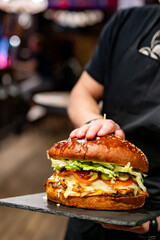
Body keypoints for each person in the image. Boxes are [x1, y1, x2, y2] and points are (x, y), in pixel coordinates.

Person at [65, 3, 160, 240]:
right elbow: (82, 92)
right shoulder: (126, 22)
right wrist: (95, 124)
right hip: (88, 203)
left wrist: (156, 225)